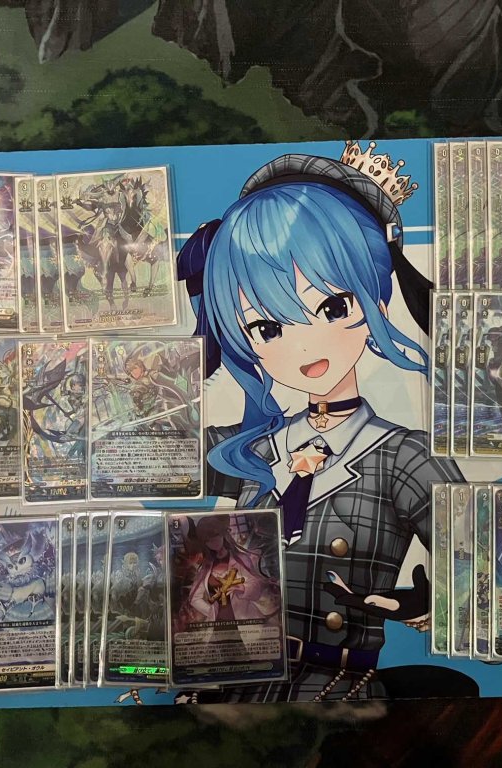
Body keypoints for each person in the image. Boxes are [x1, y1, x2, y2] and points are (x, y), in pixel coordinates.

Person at [176, 142, 473, 702]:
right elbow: (133, 454)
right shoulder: (247, 450)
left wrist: (422, 602)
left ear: (374, 300)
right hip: (232, 686)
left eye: (332, 308)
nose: (303, 344)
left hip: (334, 692)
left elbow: (484, 569)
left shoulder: (405, 457)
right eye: (266, 328)